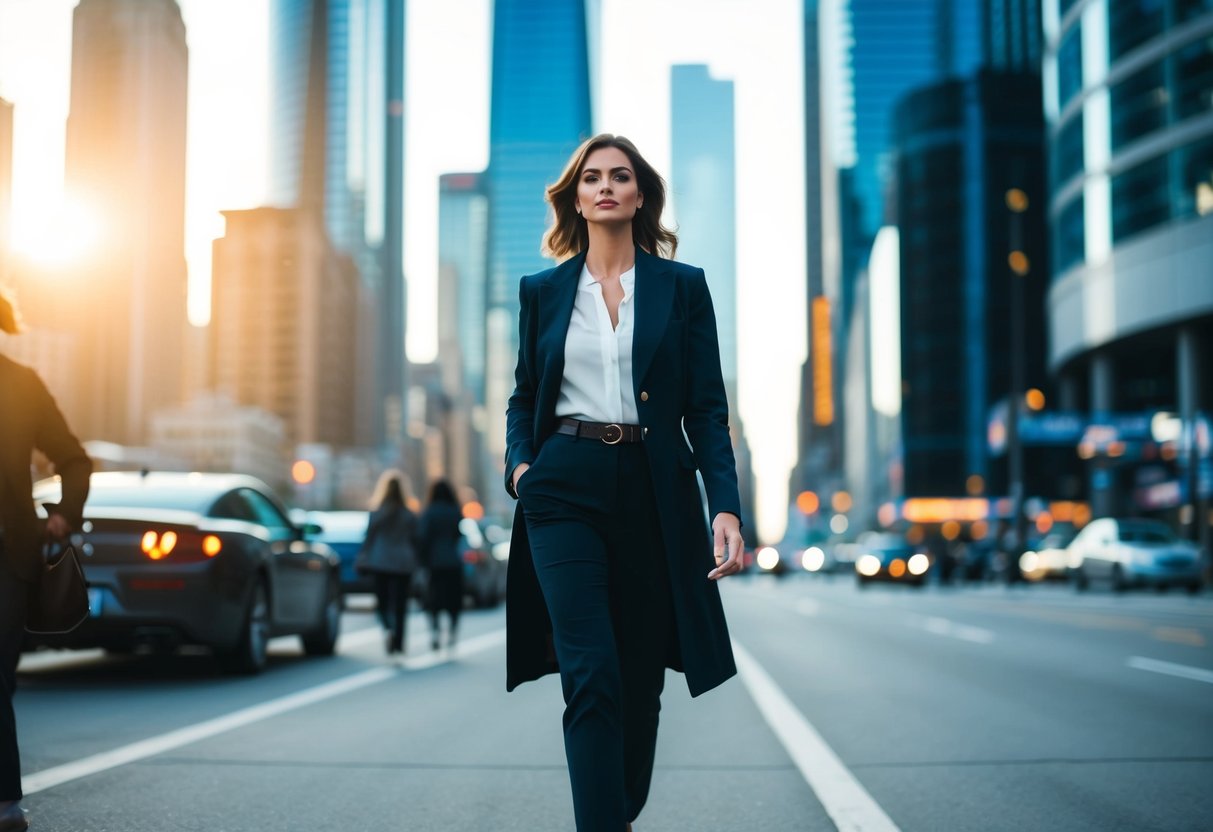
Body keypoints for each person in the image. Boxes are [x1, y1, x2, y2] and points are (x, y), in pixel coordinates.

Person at [504, 134, 744, 831]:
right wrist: (522, 469)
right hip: (563, 487)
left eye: (620, 176)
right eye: (591, 178)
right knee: (591, 672)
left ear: (640, 194)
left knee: (639, 684)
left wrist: (723, 507)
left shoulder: (682, 287)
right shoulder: (542, 293)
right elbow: (524, 396)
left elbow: (705, 408)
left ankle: (614, 813)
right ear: (574, 198)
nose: (604, 186)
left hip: (653, 489)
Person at [0, 289, 93, 832]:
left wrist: (63, 515)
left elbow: (74, 460)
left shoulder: (22, 384)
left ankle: (6, 802)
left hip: (8, 557)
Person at [359, 470, 420, 656]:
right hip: (403, 562)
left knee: (382, 601)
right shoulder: (409, 514)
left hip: (381, 561)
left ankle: (388, 627)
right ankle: (399, 643)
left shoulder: (376, 513)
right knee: (401, 604)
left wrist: (364, 556)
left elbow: (368, 538)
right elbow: (416, 539)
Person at [417, 480, 465, 652]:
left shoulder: (429, 512)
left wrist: (422, 560)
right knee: (453, 598)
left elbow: (422, 537)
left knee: (434, 599)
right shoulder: (454, 511)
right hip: (453, 561)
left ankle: (435, 631)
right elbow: (458, 534)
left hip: (434, 563)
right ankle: (452, 630)